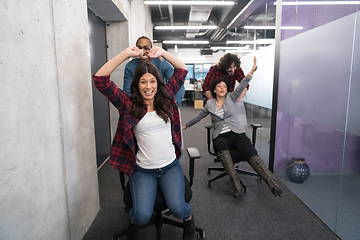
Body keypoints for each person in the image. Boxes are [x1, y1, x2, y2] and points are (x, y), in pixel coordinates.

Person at [93, 45, 195, 240]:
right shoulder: (128, 103)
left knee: (179, 209)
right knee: (140, 216)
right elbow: (100, 80)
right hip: (143, 170)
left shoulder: (167, 99)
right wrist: (125, 55)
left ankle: (188, 218)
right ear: (137, 84)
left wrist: (163, 53)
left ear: (158, 83)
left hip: (169, 166)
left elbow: (182, 70)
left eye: (152, 81)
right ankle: (134, 223)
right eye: (143, 82)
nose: (148, 86)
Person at [183, 57, 283, 198]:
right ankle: (235, 184)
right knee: (223, 152)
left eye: (224, 86)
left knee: (250, 151)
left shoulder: (231, 97)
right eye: (219, 87)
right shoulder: (210, 104)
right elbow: (199, 116)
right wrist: (186, 125)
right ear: (214, 90)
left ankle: (271, 182)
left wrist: (251, 72)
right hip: (220, 136)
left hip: (236, 133)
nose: (222, 88)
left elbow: (243, 84)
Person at [123, 36, 186, 105]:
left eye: (146, 48)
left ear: (151, 48)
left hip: (160, 101)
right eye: (139, 48)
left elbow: (178, 81)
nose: (143, 51)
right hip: (139, 103)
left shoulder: (162, 63)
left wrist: (174, 104)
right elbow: (127, 91)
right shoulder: (130, 66)